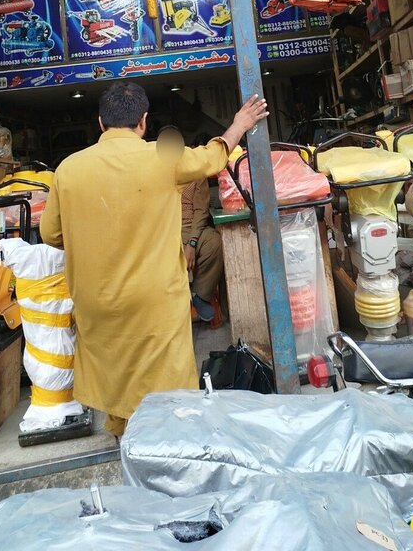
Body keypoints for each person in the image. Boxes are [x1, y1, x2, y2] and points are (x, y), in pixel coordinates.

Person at [39, 81, 268, 439]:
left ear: (101, 123)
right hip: (155, 299)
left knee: (114, 370)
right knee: (166, 377)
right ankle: (167, 441)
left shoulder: (67, 170)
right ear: (144, 122)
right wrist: (239, 122)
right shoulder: (164, 157)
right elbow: (212, 158)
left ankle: (123, 434)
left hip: (97, 299)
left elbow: (50, 234)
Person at [182, 177, 223, 322]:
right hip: (166, 230)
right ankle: (177, 302)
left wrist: (192, 243)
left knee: (214, 243)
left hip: (191, 227)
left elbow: (201, 211)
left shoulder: (196, 172)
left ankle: (199, 295)